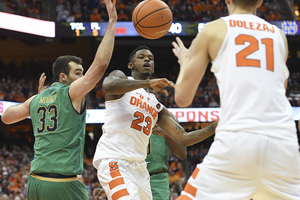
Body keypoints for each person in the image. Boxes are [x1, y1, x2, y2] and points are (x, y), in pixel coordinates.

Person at [172, 0, 300, 199]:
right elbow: (280, 90)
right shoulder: (279, 36)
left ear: (227, 0)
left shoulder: (213, 30)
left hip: (237, 141)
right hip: (284, 143)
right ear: (260, 1)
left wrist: (184, 63)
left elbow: (182, 98)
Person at [0, 0, 117, 199]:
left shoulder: (36, 100)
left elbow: (6, 117)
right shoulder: (71, 93)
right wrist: (112, 22)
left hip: (36, 182)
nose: (82, 78)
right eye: (78, 73)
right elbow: (101, 65)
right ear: (63, 77)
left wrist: (35, 100)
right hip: (62, 184)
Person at [92, 46, 218, 200]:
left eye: (151, 58)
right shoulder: (121, 78)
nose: (147, 59)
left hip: (140, 168)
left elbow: (184, 138)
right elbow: (108, 85)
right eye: (142, 57)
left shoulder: (157, 106)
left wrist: (213, 127)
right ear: (130, 65)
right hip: (115, 160)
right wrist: (148, 83)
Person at [146, 115, 187, 200]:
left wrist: (166, 134)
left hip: (157, 179)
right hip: (132, 175)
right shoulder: (130, 114)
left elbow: (182, 153)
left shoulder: (168, 117)